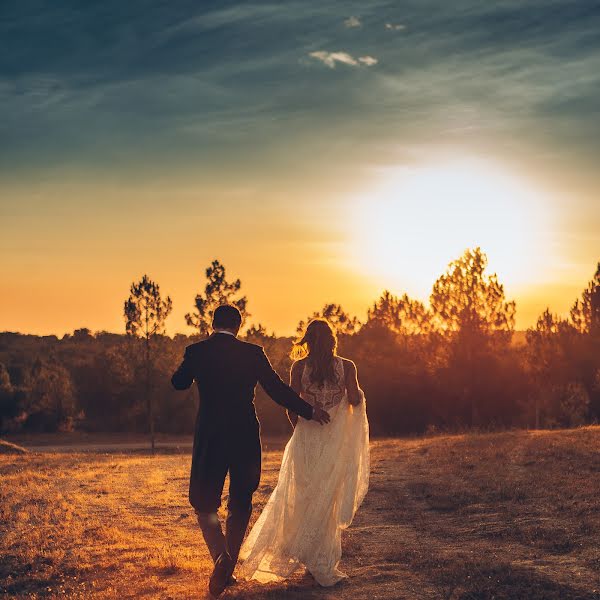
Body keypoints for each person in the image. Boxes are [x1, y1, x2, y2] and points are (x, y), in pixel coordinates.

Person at [171, 305, 330, 597]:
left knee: (205, 503)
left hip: (210, 436)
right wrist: (309, 411)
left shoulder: (196, 352)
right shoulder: (253, 353)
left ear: (213, 324)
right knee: (241, 499)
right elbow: (278, 390)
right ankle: (226, 567)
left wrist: (193, 363)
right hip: (244, 435)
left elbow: (178, 383)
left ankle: (221, 558)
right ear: (238, 326)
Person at [239, 318, 370, 586]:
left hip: (306, 437)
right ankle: (319, 561)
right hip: (334, 441)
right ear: (332, 340)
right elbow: (355, 399)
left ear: (307, 340)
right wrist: (351, 399)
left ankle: (308, 557)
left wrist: (299, 428)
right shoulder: (347, 367)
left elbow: (292, 404)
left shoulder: (299, 367)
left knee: (303, 495)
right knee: (327, 497)